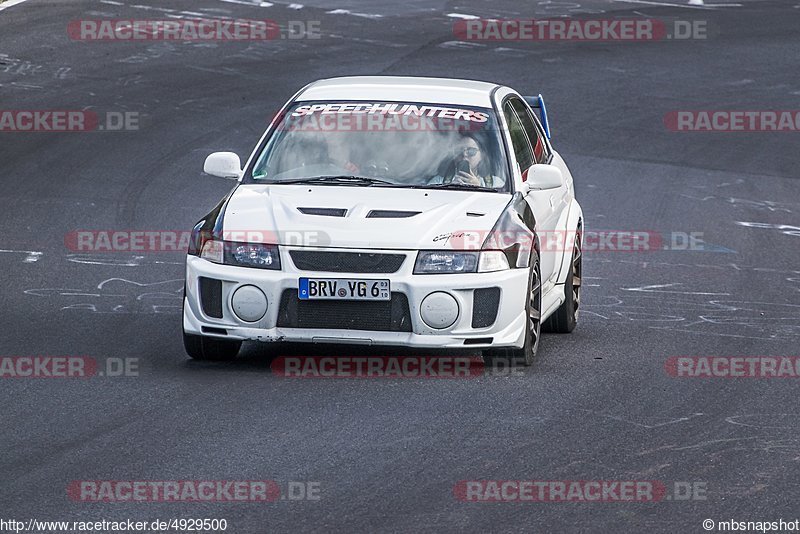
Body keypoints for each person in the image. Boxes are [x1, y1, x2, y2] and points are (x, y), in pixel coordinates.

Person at [428, 133, 504, 188]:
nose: (464, 155)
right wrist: (449, 188)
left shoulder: (496, 183)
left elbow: (498, 205)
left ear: (482, 155)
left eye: (471, 151)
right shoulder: (438, 182)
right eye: (459, 151)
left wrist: (479, 188)